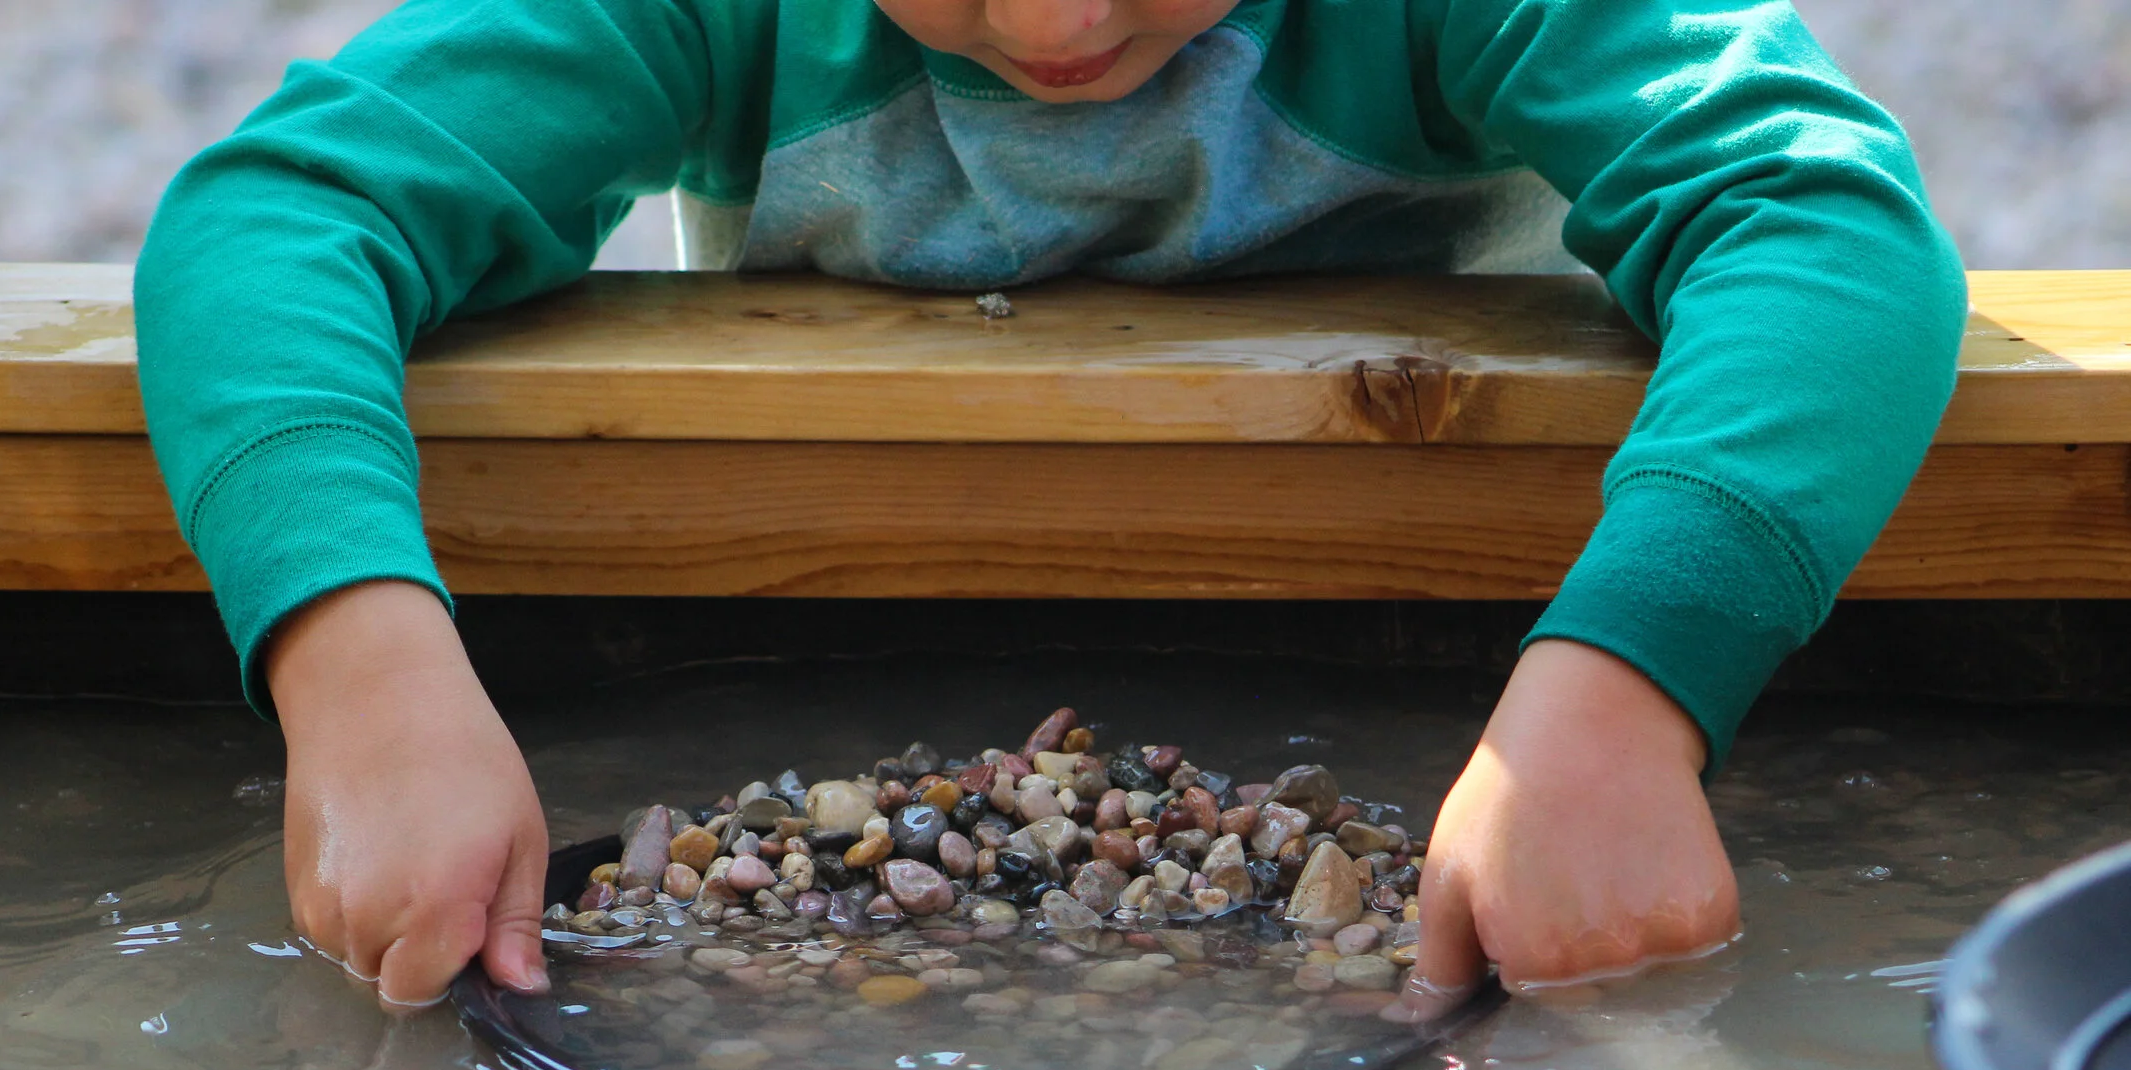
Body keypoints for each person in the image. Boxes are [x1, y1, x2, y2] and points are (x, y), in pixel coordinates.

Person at [137, 0, 1966, 1016]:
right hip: (830, 641)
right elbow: (280, 215)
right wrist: (362, 669)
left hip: (1459, 656)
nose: (1053, 19)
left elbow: (1820, 221)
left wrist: (1625, 696)